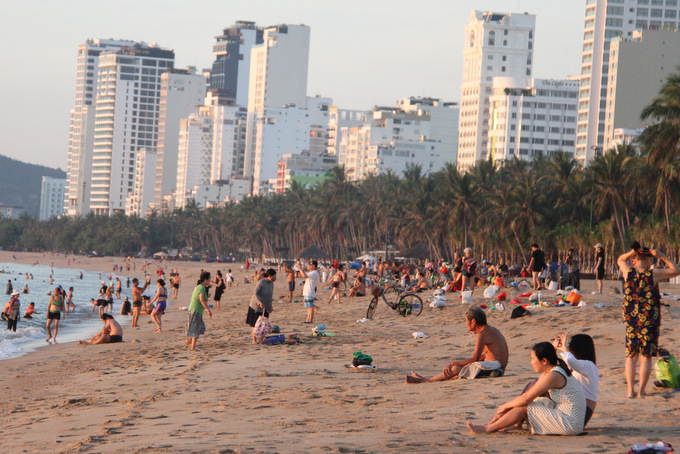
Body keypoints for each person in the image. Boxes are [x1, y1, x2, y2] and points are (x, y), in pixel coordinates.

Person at [467, 342, 586, 435]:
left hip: (571, 423)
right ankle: (515, 424)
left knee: (526, 405)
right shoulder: (551, 371)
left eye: (533, 358)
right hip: (569, 418)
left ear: (544, 361)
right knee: (534, 401)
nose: (531, 362)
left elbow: (526, 399)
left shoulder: (554, 375)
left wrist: (503, 407)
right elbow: (528, 395)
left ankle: (488, 428)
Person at [617, 243, 680, 398]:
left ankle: (630, 391)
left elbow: (620, 260)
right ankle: (641, 391)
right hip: (649, 321)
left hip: (631, 321)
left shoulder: (628, 272)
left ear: (634, 260)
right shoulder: (653, 274)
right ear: (650, 260)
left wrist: (631, 252)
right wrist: (661, 255)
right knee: (646, 357)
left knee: (631, 357)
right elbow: (677, 269)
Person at [407, 306, 509, 383]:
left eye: (466, 321)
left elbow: (475, 359)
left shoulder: (482, 334)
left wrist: (454, 363)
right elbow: (486, 355)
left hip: (496, 370)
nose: (466, 323)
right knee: (459, 370)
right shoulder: (490, 330)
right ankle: (426, 379)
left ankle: (425, 380)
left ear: (473, 321)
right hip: (497, 367)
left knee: (455, 368)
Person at [552, 334, 599, 427]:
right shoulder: (578, 366)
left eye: (570, 346)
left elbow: (570, 360)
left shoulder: (589, 366)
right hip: (574, 408)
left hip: (582, 411)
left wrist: (564, 349)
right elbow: (551, 369)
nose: (568, 349)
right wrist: (554, 349)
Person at [246, 268, 276, 343]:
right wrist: (259, 303)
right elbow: (255, 294)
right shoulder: (261, 282)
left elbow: (270, 296)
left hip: (265, 307)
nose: (275, 278)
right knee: (255, 324)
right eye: (274, 276)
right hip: (255, 306)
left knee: (263, 325)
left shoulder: (272, 284)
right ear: (270, 276)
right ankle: (254, 340)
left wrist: (270, 306)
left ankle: (261, 340)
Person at [186, 271, 212, 350]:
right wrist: (208, 310)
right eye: (209, 279)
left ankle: (189, 341)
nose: (210, 280)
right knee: (196, 329)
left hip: (197, 310)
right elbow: (201, 299)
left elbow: (202, 298)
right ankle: (192, 347)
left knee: (199, 327)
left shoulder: (200, 287)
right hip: (195, 310)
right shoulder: (201, 287)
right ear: (205, 280)